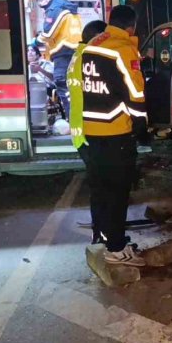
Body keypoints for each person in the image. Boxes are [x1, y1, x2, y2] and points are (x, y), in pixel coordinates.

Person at [79, 5, 149, 266]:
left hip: (93, 130)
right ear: (131, 25)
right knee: (118, 192)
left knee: (102, 189)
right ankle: (117, 250)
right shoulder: (123, 48)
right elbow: (135, 93)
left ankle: (109, 238)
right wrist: (141, 125)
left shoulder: (94, 44)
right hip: (116, 130)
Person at [66, 19, 107, 244]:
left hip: (80, 132)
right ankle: (101, 233)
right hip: (91, 132)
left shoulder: (77, 56)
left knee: (98, 184)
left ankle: (100, 230)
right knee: (102, 187)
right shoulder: (90, 58)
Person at [36, 0, 83, 119]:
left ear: (44, 0)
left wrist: (37, 41)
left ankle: (72, 118)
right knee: (73, 84)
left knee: (62, 82)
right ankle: (76, 116)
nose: (42, 8)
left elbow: (48, 32)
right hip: (74, 49)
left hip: (63, 50)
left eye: (40, 4)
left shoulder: (54, 8)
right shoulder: (67, 6)